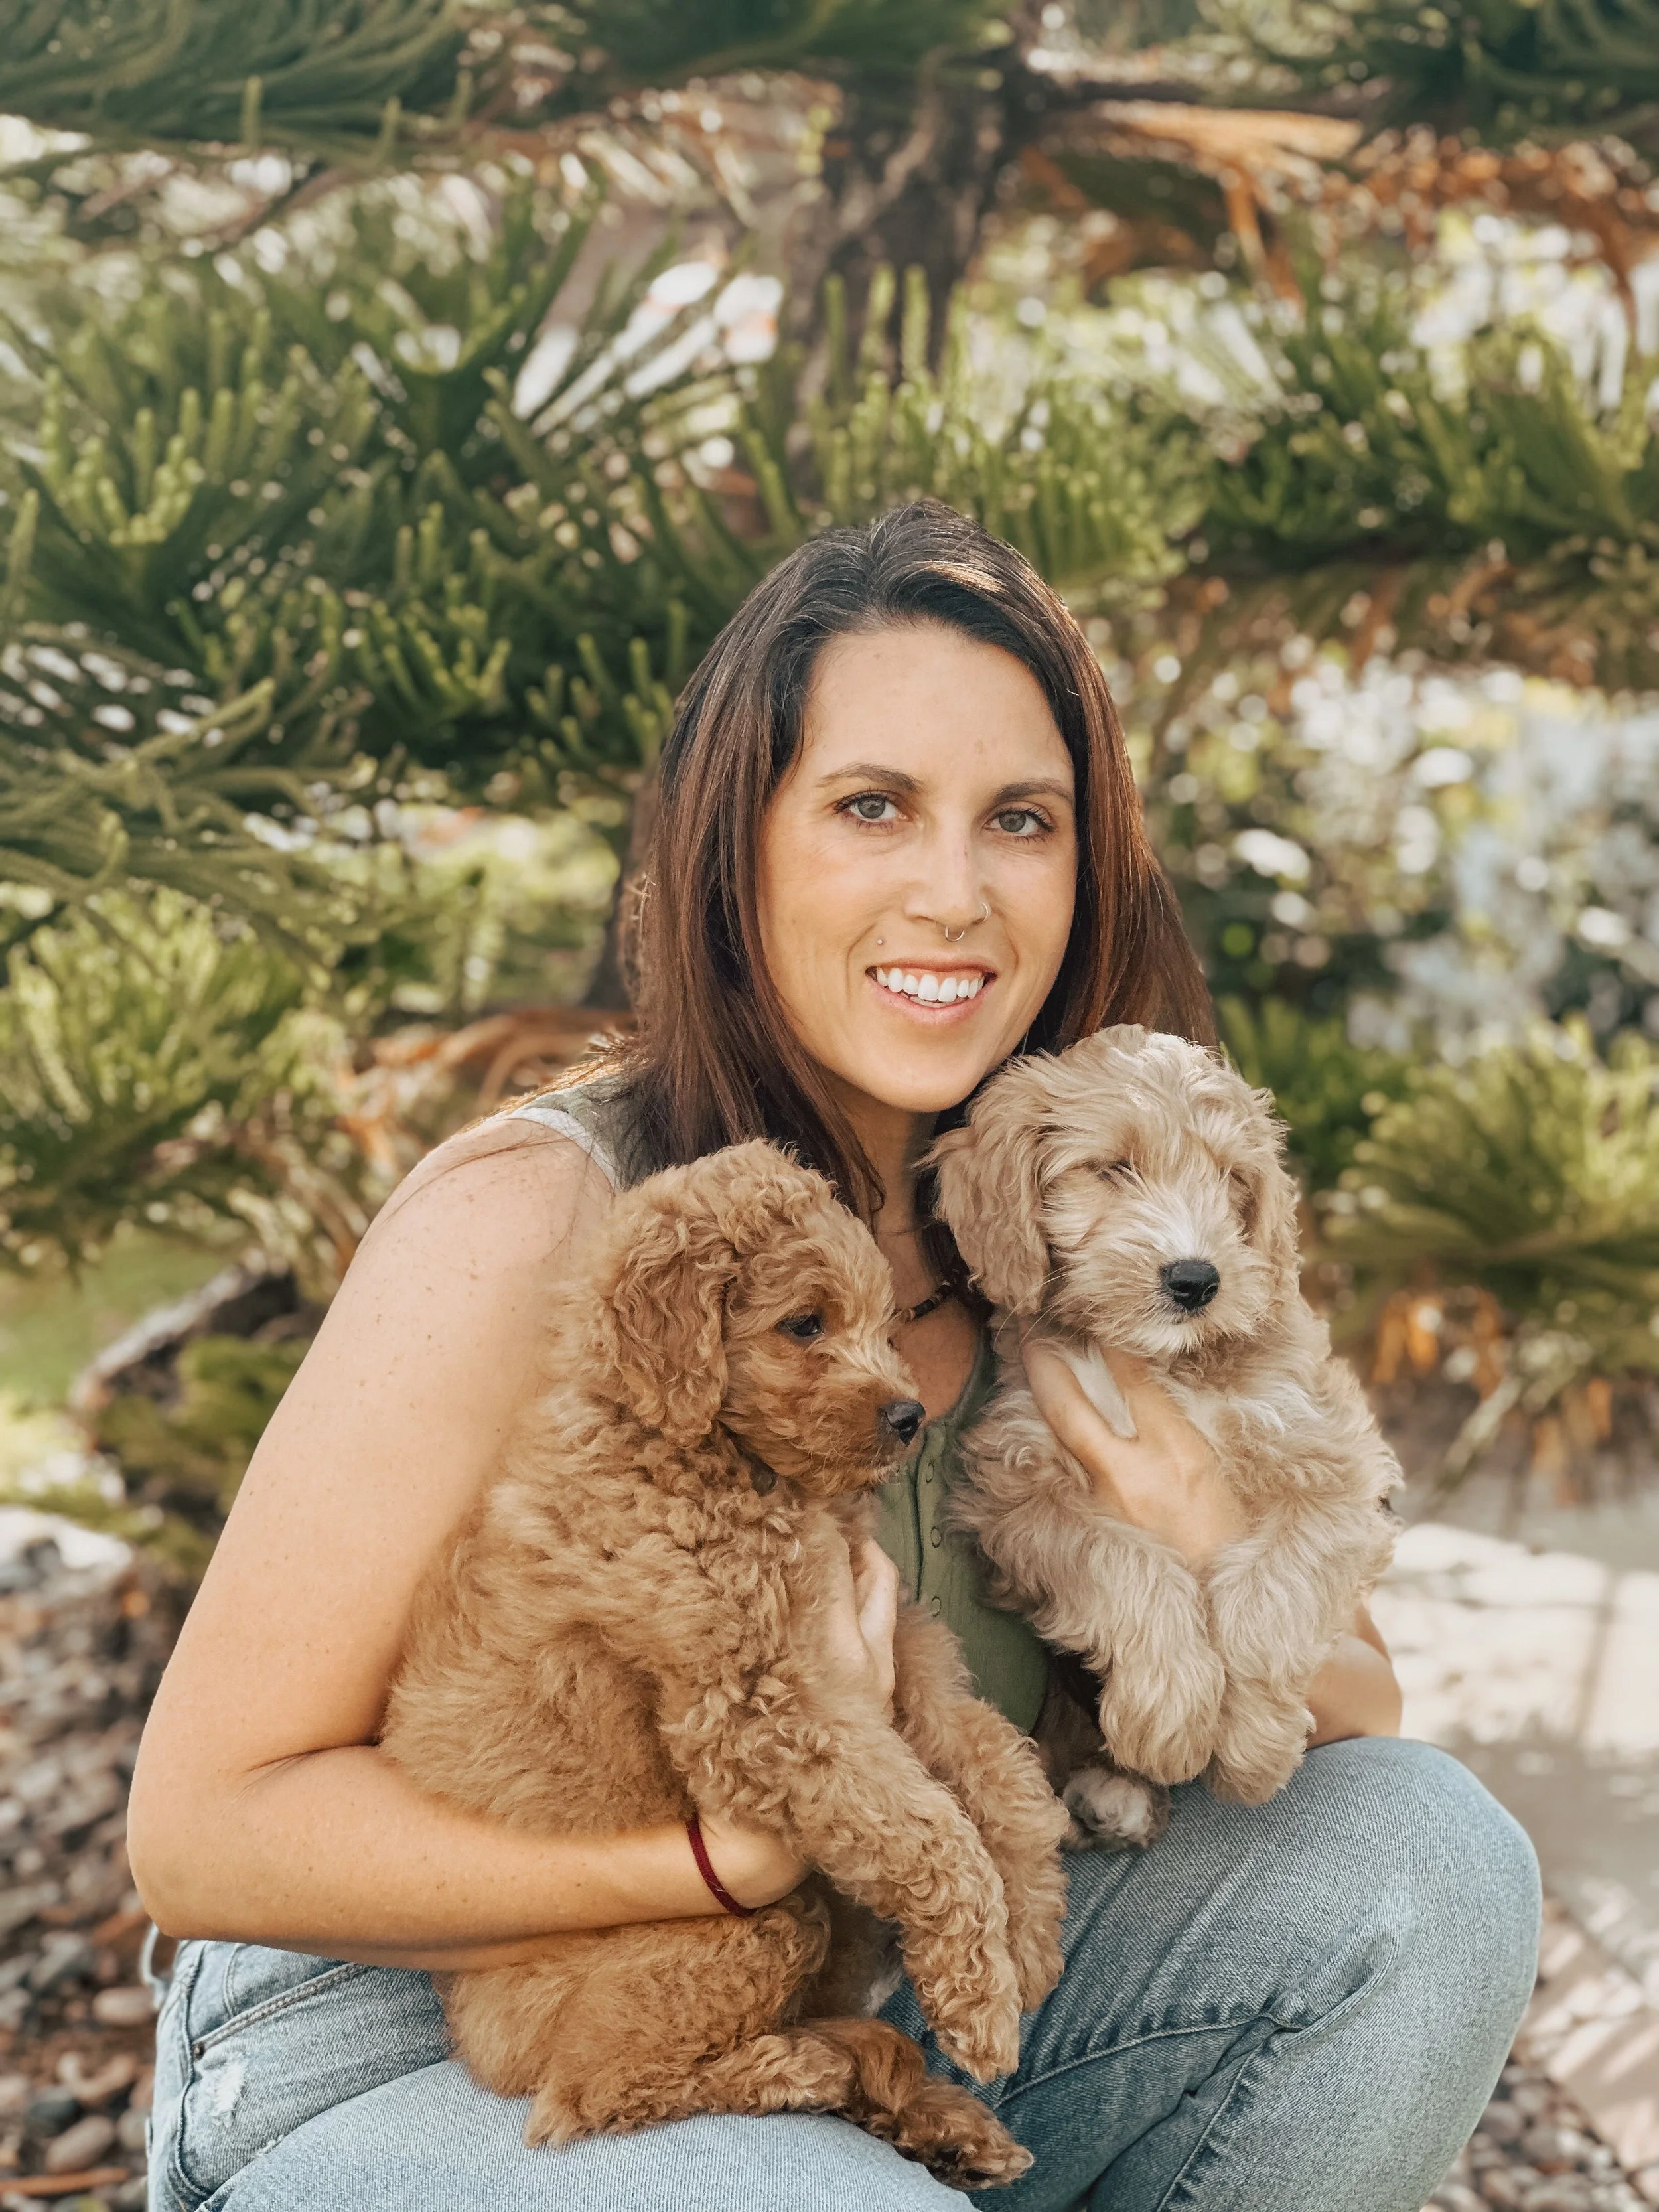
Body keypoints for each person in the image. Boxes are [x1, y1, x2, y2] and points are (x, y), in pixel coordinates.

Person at [129, 502, 1539, 2212]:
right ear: (741, 848)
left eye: (1020, 820)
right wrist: (720, 1861)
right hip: (448, 2043)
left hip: (865, 1983)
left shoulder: (1075, 1228)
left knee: (1427, 1862)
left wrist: (1201, 1530)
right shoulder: (545, 1221)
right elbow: (203, 1831)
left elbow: (1362, 1710)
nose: (954, 892)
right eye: (873, 807)